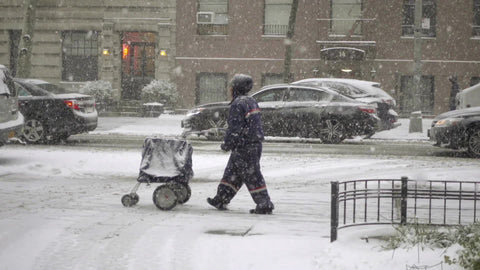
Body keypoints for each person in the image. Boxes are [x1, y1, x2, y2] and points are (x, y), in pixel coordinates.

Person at [207, 74, 274, 214]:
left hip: (244, 146)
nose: (229, 89)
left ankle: (264, 203)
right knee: (233, 173)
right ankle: (221, 198)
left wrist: (227, 143)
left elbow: (235, 128)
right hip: (253, 144)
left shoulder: (238, 104)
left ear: (236, 88)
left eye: (231, 86)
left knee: (252, 175)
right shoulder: (251, 101)